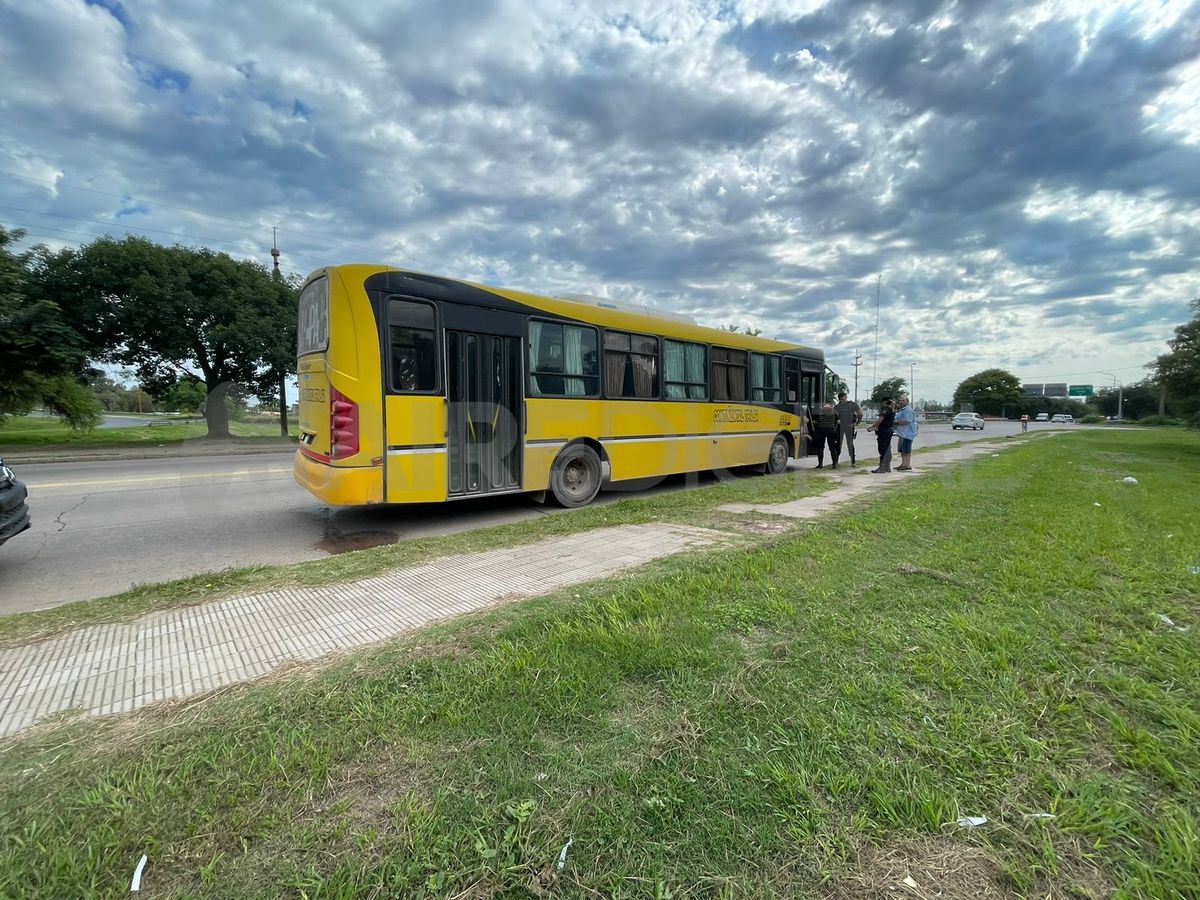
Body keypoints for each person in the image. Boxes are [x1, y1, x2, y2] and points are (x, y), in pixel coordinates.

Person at [833, 390, 863, 466]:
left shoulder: (852, 405)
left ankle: (852, 461)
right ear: (839, 399)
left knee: (849, 444)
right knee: (839, 444)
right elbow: (834, 417)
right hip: (840, 427)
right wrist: (836, 422)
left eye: (844, 398)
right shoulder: (837, 406)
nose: (843, 400)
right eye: (842, 399)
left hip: (849, 426)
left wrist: (856, 423)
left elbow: (861, 414)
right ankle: (836, 462)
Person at [866, 398, 895, 473]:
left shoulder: (885, 409)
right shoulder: (892, 409)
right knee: (887, 449)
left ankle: (882, 467)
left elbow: (880, 420)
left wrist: (872, 427)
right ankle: (887, 467)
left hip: (884, 431)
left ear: (884, 402)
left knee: (882, 449)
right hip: (889, 430)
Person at [810, 399, 840, 468]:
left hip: (821, 431)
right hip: (831, 431)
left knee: (820, 448)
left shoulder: (819, 411)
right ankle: (834, 464)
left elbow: (814, 422)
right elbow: (838, 422)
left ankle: (820, 464)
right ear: (830, 405)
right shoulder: (834, 412)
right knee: (832, 448)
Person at [893, 393, 918, 471]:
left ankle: (907, 465)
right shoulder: (901, 410)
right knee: (902, 449)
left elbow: (907, 421)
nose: (901, 402)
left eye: (903, 400)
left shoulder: (907, 410)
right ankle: (903, 464)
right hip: (902, 433)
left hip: (907, 433)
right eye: (900, 401)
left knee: (906, 449)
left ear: (907, 402)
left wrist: (895, 423)